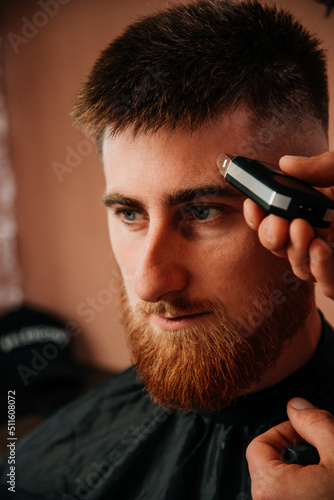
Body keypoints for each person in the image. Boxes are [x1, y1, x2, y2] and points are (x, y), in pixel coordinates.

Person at [1, 1, 334, 498]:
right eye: (130, 213)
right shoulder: (33, 473)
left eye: (202, 211)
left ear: (303, 207)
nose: (148, 281)